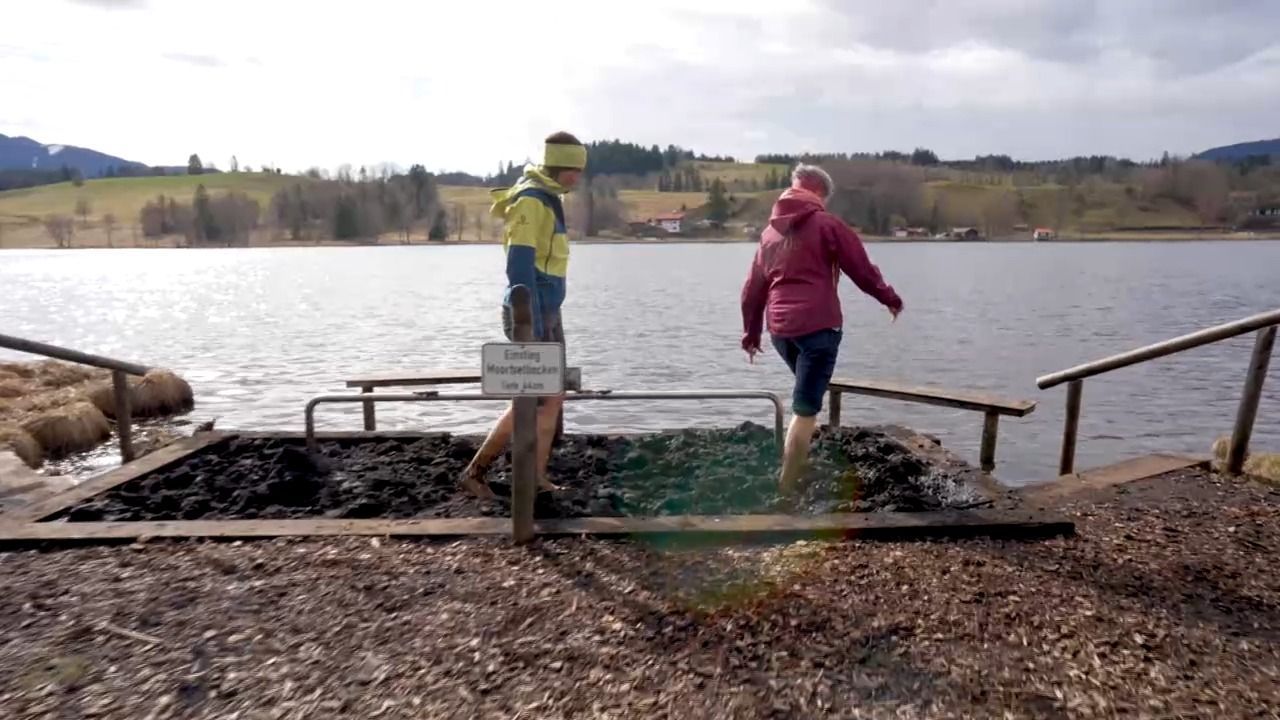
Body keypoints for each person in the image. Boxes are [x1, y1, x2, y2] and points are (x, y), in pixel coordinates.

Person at [740, 163, 904, 494]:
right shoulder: (828, 224)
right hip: (818, 328)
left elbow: (752, 289)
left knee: (807, 396)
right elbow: (861, 268)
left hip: (780, 331)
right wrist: (890, 299)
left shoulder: (770, 233)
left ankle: (801, 454)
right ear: (820, 193)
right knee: (805, 409)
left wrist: (751, 334)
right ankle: (787, 487)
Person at [459, 131, 587, 499]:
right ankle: (475, 472)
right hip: (529, 316)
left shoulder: (549, 198)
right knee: (534, 398)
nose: (577, 177)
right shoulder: (531, 201)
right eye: (573, 170)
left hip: (548, 311)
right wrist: (529, 323)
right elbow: (519, 267)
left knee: (552, 396)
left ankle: (535, 476)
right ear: (557, 166)